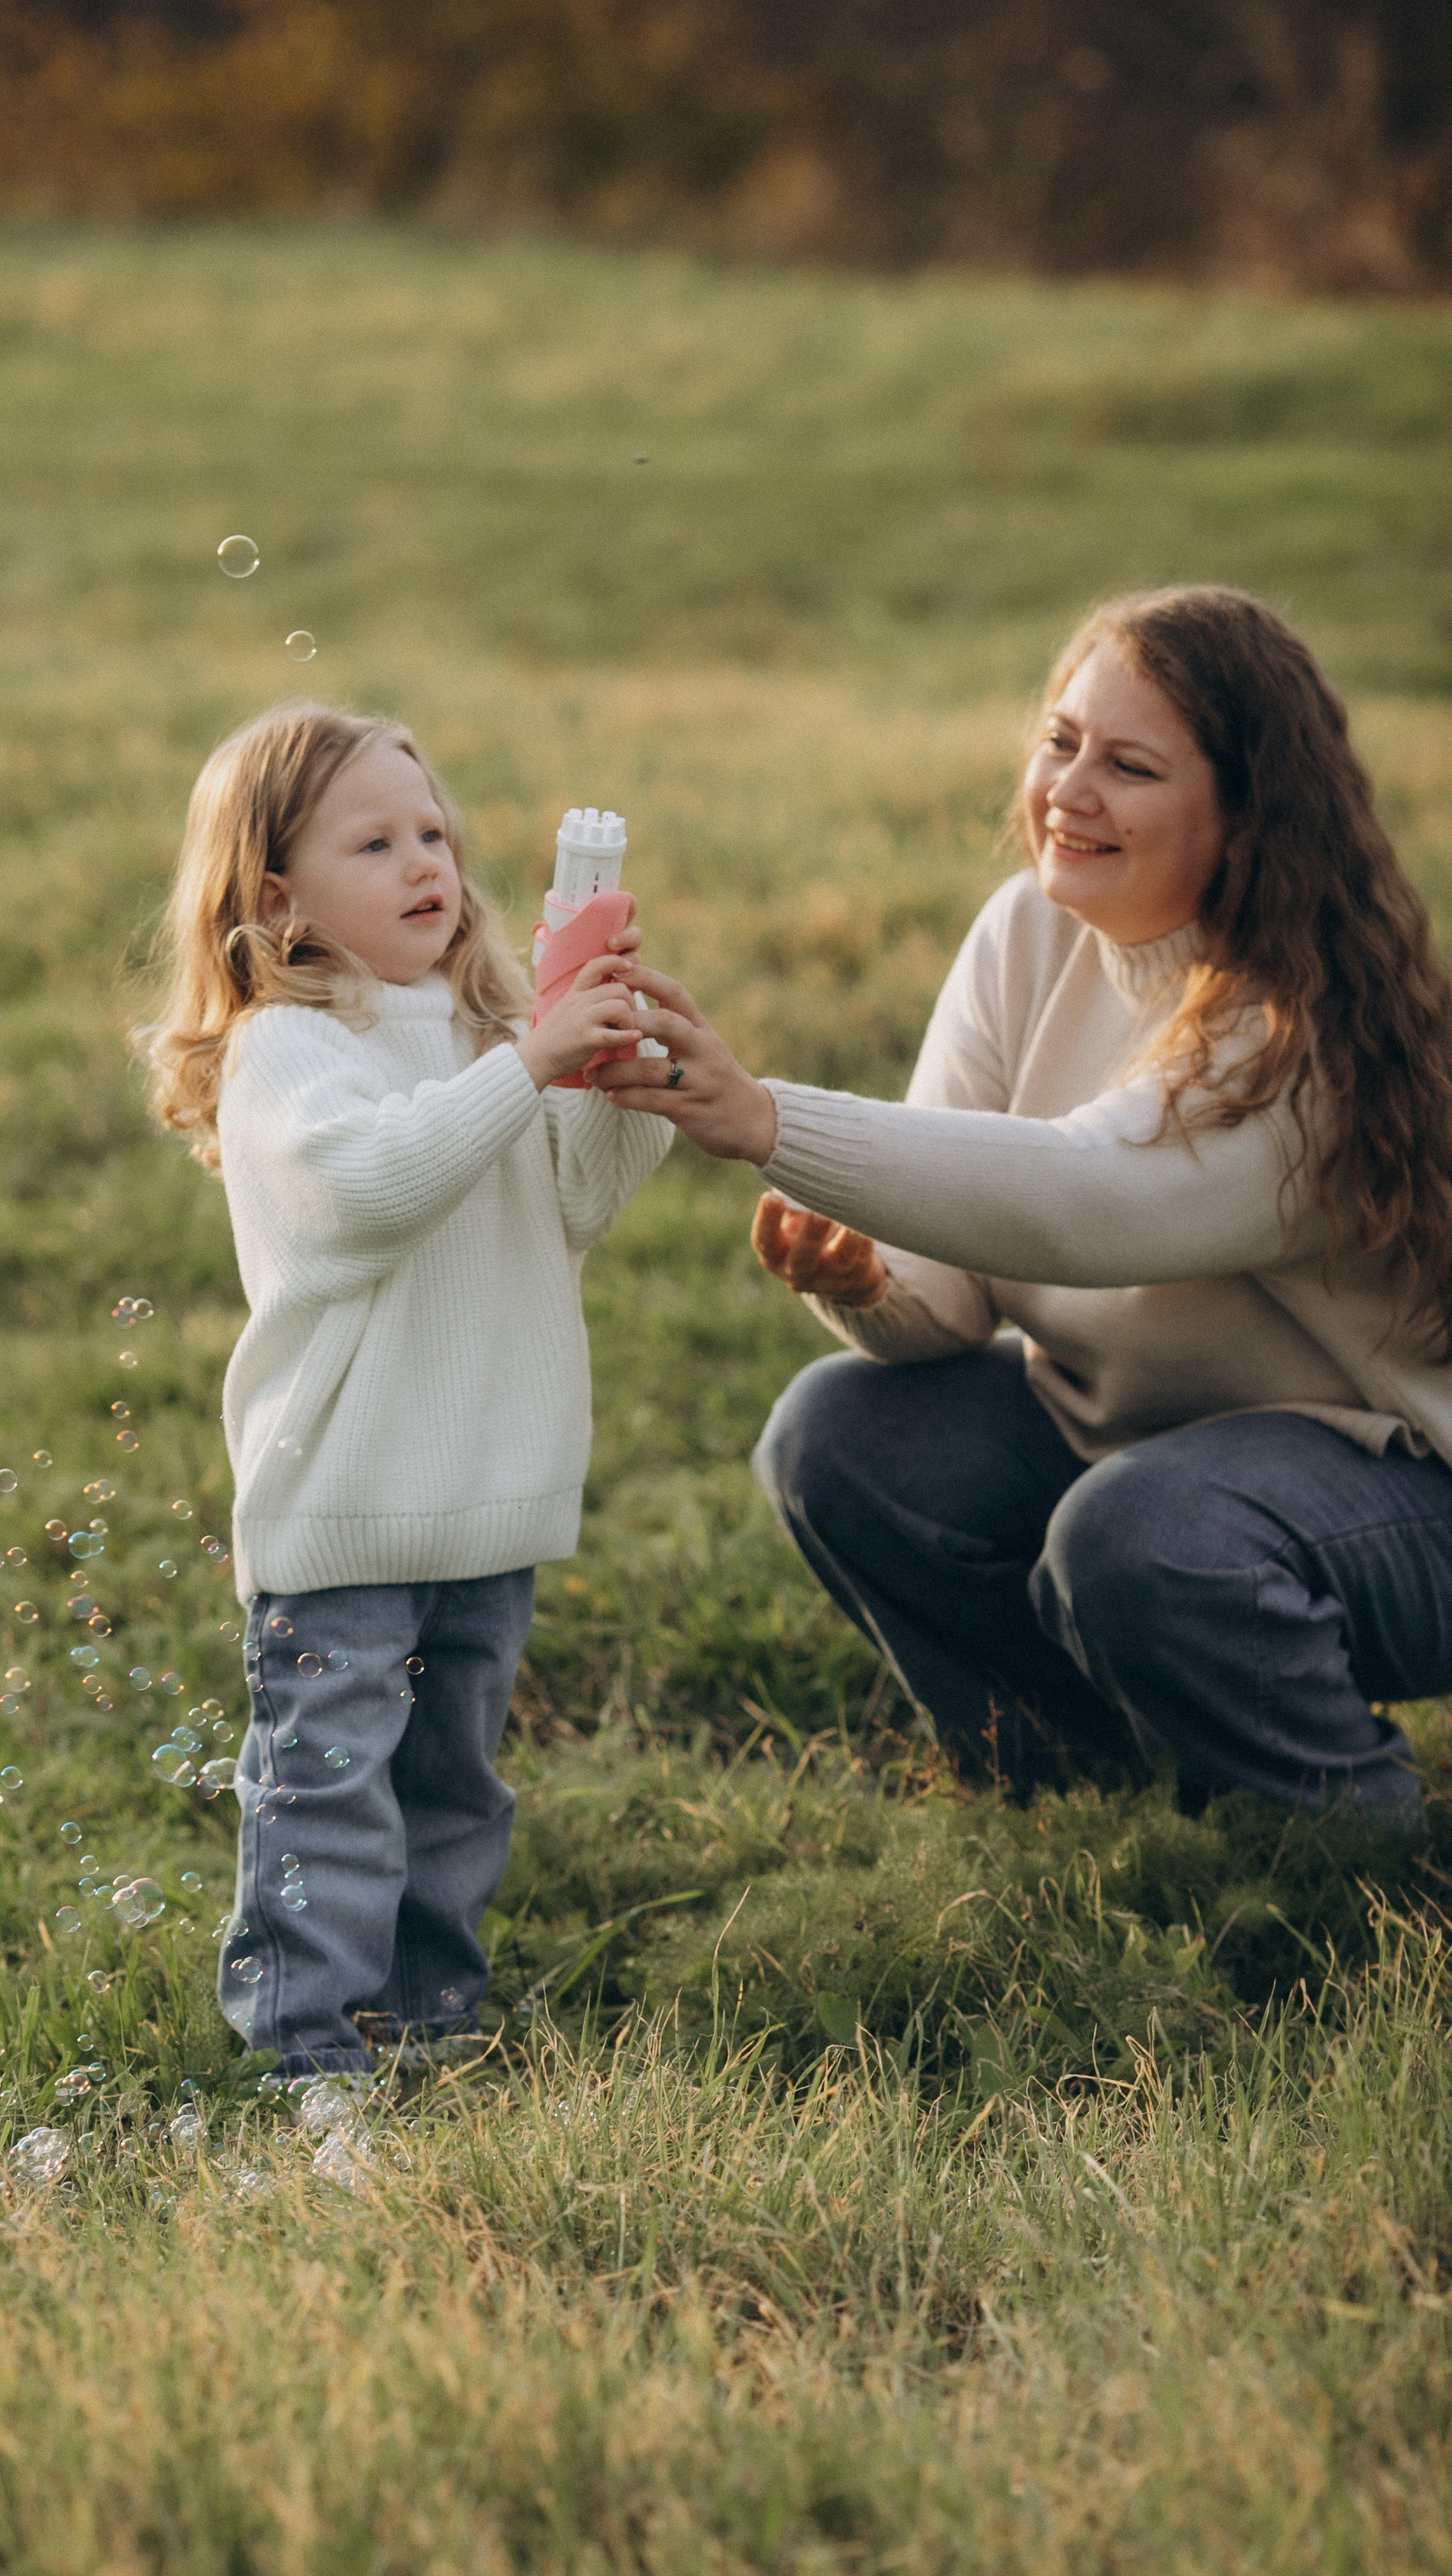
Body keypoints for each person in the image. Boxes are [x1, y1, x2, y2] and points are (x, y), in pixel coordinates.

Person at [599, 586, 1452, 1816]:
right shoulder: (1026, 939)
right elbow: (950, 1298)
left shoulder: (1294, 1030)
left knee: (1139, 1532)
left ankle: (1348, 1840)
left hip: (1401, 1491)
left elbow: (1083, 1202)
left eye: (1131, 766)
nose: (1071, 789)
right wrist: (871, 1287)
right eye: (1061, 742)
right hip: (1165, 1468)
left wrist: (767, 1120)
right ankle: (1078, 1779)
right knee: (840, 1432)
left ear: (1245, 814)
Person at [143, 703, 672, 2073]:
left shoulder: (490, 1030)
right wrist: (531, 1064)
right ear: (281, 901)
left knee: (451, 1789)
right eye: (372, 842)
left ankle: (430, 2024)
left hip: (487, 1500)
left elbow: (577, 1199)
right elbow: (368, 1191)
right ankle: (308, 2056)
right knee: (330, 1797)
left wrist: (614, 1082)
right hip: (349, 1508)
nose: (424, 862)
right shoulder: (287, 1049)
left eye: (431, 831)